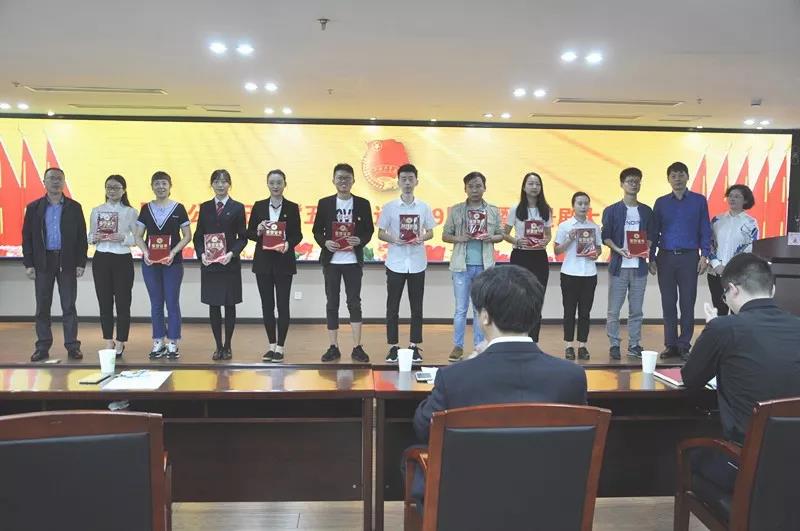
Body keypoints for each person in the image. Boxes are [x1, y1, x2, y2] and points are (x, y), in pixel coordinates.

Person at [408, 265, 587, 508]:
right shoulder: (572, 377)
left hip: (471, 507)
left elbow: (424, 427)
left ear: (485, 316)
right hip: (549, 507)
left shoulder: (455, 378)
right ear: (535, 314)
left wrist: (471, 362)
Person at [681, 253, 800, 496]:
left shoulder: (724, 328)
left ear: (733, 290)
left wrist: (712, 329)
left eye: (724, 295)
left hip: (746, 464)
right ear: (772, 289)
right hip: (793, 463)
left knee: (690, 453)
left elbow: (691, 378)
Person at [22, 167, 87, 362]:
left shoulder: (74, 207)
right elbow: (27, 237)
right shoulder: (34, 208)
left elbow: (81, 238)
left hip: (67, 261)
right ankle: (42, 347)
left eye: (59, 178)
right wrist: (29, 263)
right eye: (51, 178)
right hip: (43, 261)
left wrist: (81, 262)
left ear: (64, 182)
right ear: (44, 182)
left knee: (69, 306)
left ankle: (72, 346)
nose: (55, 181)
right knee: (42, 306)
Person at [312, 163, 375, 363]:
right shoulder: (325, 203)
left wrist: (360, 240)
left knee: (354, 303)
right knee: (332, 303)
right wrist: (325, 242)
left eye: (347, 178)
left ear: (353, 180)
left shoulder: (363, 203)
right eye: (340, 178)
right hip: (332, 262)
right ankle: (333, 347)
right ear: (333, 180)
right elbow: (316, 230)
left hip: (352, 261)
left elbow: (369, 231)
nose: (343, 181)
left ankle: (357, 347)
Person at [650, 161, 712, 361]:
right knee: (668, 303)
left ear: (687, 177)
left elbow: (705, 229)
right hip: (666, 257)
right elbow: (654, 231)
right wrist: (650, 257)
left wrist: (705, 255)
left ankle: (684, 345)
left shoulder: (699, 201)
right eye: (673, 176)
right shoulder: (661, 202)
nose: (677, 179)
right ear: (668, 179)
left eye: (681, 175)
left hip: (689, 257)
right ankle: (670, 345)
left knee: (687, 302)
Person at [442, 171, 504, 362]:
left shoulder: (492, 210)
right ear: (465, 189)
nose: (475, 190)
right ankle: (458, 346)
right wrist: (459, 238)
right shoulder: (457, 210)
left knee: (481, 309)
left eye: (478, 186)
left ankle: (479, 345)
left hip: (485, 267)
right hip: (461, 266)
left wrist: (491, 237)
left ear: (485, 188)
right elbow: (445, 235)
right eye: (471, 186)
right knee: (461, 309)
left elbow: (501, 234)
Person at [378, 164, 436, 364]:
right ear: (398, 182)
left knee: (416, 307)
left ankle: (414, 346)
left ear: (417, 181)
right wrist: (395, 239)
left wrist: (422, 237)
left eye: (411, 179)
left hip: (417, 262)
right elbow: (381, 233)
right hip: (395, 263)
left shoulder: (424, 207)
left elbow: (431, 231)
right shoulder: (390, 207)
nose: (407, 182)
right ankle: (393, 346)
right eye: (404, 179)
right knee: (392, 307)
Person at [134, 171, 192, 360]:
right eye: (157, 183)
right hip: (150, 264)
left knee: (172, 302)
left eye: (164, 183)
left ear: (170, 186)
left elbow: (187, 236)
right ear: (152, 186)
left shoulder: (179, 208)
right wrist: (146, 252)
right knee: (156, 303)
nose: (160, 187)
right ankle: (158, 341)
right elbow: (138, 235)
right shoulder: (146, 208)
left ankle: (173, 342)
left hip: (172, 263)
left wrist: (173, 252)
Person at [247, 169, 303, 363]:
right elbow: (249, 233)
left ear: (285, 184)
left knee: (283, 305)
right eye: (272, 182)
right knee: (267, 305)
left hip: (283, 262)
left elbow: (298, 234)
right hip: (263, 263)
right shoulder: (259, 206)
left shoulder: (292, 207)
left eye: (279, 182)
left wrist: (288, 244)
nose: (276, 186)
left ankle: (280, 347)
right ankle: (271, 346)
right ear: (267, 184)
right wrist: (258, 230)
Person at [193, 169, 247, 361]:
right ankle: (218, 346)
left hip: (229, 264)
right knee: (214, 305)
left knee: (230, 305)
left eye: (224, 181)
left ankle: (228, 345)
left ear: (229, 184)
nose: (220, 185)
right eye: (216, 181)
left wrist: (231, 254)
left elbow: (243, 237)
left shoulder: (238, 207)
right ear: (212, 184)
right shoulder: (205, 207)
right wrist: (201, 254)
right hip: (211, 265)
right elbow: (198, 236)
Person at [601, 167, 653, 360]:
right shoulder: (611, 210)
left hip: (639, 268)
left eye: (637, 181)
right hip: (618, 267)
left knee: (636, 310)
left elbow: (651, 236)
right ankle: (614, 344)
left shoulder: (646, 211)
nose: (634, 184)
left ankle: (634, 344)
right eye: (630, 181)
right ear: (622, 184)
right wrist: (618, 249)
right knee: (614, 310)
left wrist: (645, 248)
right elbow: (605, 236)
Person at [87, 175, 138, 357]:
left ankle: (121, 340)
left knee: (123, 302)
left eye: (116, 187)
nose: (112, 191)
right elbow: (90, 236)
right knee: (104, 301)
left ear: (124, 190)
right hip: (101, 258)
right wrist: (94, 237)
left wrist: (123, 238)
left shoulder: (130, 212)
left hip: (122, 259)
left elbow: (137, 239)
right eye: (109, 187)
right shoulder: (97, 210)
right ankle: (108, 340)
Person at [503, 171, 553, 342]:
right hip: (520, 257)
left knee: (537, 300)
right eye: (530, 183)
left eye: (537, 184)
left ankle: (533, 341)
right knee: (518, 299)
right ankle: (518, 339)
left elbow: (548, 235)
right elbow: (504, 234)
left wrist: (545, 240)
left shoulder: (545, 209)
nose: (534, 187)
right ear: (524, 187)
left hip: (539, 257)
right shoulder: (515, 209)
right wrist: (517, 241)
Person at [554, 192, 602, 360]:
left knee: (585, 312)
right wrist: (569, 239)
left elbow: (599, 248)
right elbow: (557, 251)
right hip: (569, 273)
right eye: (579, 203)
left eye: (586, 203)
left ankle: (582, 346)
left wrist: (595, 254)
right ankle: (568, 346)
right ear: (573, 206)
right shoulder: (565, 226)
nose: (583, 206)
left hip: (589, 274)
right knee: (569, 311)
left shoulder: (594, 227)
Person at [707, 185, 759, 316]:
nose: (732, 199)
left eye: (737, 196)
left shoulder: (751, 222)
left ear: (745, 200)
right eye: (730, 196)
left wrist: (731, 266)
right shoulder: (717, 220)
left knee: (737, 311)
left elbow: (750, 247)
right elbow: (709, 243)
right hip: (716, 272)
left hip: (738, 273)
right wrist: (716, 265)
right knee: (720, 310)